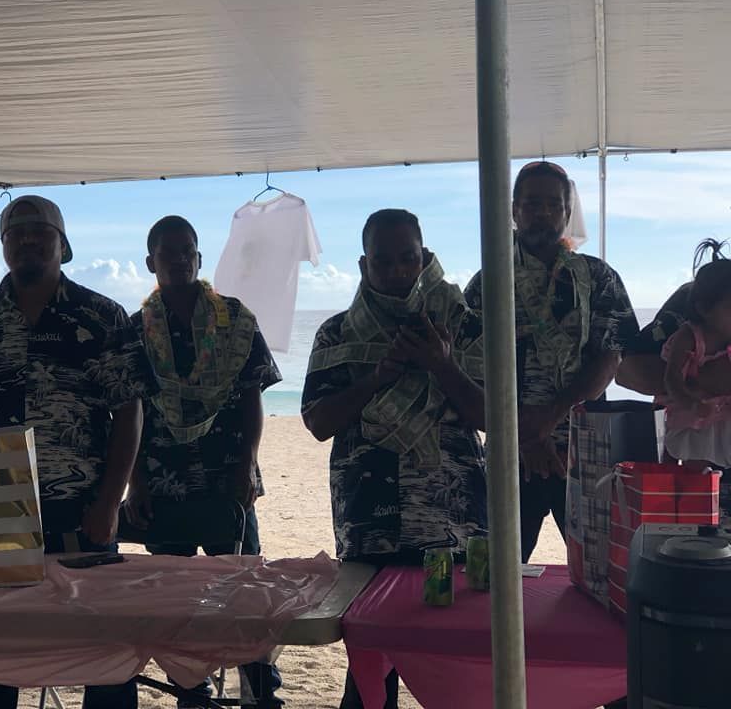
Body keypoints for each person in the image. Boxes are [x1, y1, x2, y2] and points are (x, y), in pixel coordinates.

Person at [0, 195, 156, 709]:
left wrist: (109, 503)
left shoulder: (101, 316)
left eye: (39, 230)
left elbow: (129, 414)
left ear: (63, 243)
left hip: (84, 510)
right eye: (14, 232)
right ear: (3, 245)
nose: (26, 239)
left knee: (105, 654)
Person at [302, 209, 487, 709]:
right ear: (364, 266)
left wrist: (441, 363)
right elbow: (318, 422)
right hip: (370, 521)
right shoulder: (336, 334)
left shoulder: (463, 325)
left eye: (408, 258)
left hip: (451, 525)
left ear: (424, 258)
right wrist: (378, 377)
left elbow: (492, 415)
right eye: (383, 261)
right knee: (369, 662)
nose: (398, 272)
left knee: (453, 657)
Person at [124, 215, 284, 708]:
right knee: (176, 600)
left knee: (246, 595)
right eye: (167, 252)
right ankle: (190, 694)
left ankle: (260, 695)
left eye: (187, 250)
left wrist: (247, 464)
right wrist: (137, 482)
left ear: (199, 256)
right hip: (162, 481)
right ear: (150, 261)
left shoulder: (235, 320)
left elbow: (251, 396)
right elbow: (128, 411)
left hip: (227, 478)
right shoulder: (133, 331)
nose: (179, 259)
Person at [465, 161, 639, 562]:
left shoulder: (598, 277)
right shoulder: (488, 283)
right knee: (499, 574)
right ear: (513, 210)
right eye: (531, 203)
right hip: (511, 453)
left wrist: (549, 418)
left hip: (585, 452)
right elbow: (473, 370)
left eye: (552, 204)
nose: (542, 213)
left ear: (566, 212)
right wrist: (527, 436)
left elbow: (610, 356)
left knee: (599, 567)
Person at [658, 240, 731, 468]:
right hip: (688, 410)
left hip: (721, 412)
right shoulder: (688, 336)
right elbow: (671, 378)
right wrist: (689, 402)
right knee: (693, 460)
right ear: (703, 309)